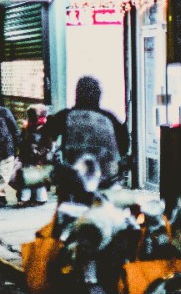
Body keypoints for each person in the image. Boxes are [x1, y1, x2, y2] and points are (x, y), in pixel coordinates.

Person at [41, 75, 130, 205]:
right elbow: (124, 146)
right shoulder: (110, 118)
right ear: (99, 95)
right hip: (105, 182)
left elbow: (45, 136)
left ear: (77, 94)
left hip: (73, 182)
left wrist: (51, 160)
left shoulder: (65, 116)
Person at [12, 105, 53, 206]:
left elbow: (47, 144)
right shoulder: (31, 126)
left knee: (34, 177)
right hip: (32, 155)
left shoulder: (42, 126)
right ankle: (35, 198)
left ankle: (33, 199)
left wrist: (39, 155)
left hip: (35, 155)